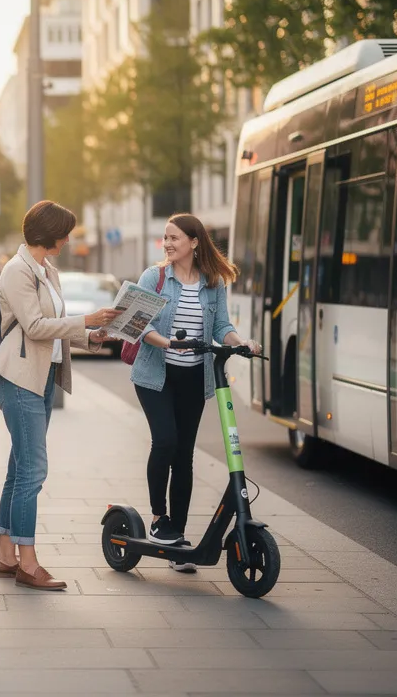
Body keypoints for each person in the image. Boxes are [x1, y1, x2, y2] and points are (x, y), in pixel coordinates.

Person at [0, 200, 120, 591]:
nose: (67, 239)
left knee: (19, 469)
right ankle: (27, 563)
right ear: (48, 232)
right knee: (33, 471)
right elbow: (34, 325)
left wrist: (91, 336)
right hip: (19, 378)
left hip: (41, 377)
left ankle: (5, 555)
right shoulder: (17, 271)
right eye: (64, 232)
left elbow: (55, 326)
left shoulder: (47, 270)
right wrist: (86, 319)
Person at [130, 214, 261, 570]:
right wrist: (171, 342)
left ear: (194, 241)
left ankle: (177, 534)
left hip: (193, 378)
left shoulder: (213, 282)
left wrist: (241, 343)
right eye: (165, 237)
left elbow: (222, 326)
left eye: (174, 238)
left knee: (184, 455)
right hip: (155, 375)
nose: (168, 243)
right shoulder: (154, 278)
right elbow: (140, 326)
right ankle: (159, 519)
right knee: (166, 442)